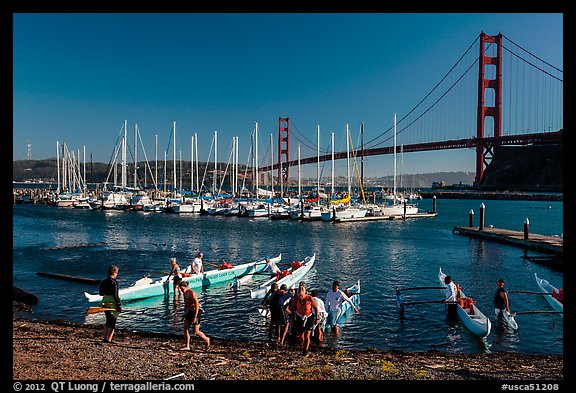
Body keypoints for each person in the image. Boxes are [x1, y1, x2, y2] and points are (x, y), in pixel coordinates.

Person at [178, 281, 210, 350]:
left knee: (196, 331)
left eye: (182, 289)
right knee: (185, 328)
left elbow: (197, 306)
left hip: (197, 311)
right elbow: (186, 305)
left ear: (186, 287)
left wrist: (195, 317)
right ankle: (187, 346)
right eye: (180, 289)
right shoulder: (184, 293)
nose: (181, 290)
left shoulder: (192, 293)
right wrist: (184, 313)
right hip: (189, 311)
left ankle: (206, 339)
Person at [290, 281, 318, 356]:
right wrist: (292, 320)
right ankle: (302, 346)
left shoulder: (309, 298)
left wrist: (317, 317)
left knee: (307, 335)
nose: (301, 297)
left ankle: (305, 350)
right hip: (299, 317)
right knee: (301, 336)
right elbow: (293, 309)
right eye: (300, 295)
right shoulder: (297, 298)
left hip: (309, 317)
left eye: (302, 295)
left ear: (304, 293)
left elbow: (315, 307)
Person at [99, 264, 122, 344]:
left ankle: (105, 338)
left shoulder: (103, 282)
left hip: (104, 302)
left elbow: (100, 293)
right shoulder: (114, 283)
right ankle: (109, 339)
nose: (117, 275)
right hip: (112, 303)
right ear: (114, 272)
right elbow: (116, 295)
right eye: (117, 273)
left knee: (108, 320)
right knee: (113, 321)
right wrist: (119, 306)